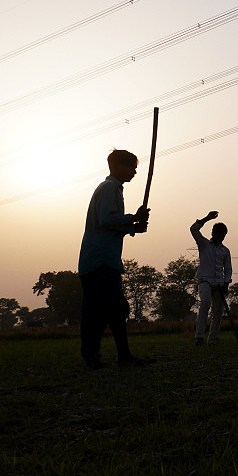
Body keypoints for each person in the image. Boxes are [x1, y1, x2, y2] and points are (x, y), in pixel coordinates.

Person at [77, 149, 151, 369]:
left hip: (93, 260)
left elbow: (110, 224)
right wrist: (133, 218)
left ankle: (92, 357)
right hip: (102, 260)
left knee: (96, 313)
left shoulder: (110, 189)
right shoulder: (110, 188)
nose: (134, 172)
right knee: (116, 308)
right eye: (132, 167)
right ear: (118, 166)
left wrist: (133, 226)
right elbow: (107, 219)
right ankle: (124, 356)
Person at [191, 211, 232, 346]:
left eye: (223, 236)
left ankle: (212, 340)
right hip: (204, 280)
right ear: (213, 234)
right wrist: (207, 218)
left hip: (219, 283)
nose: (221, 238)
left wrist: (226, 284)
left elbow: (228, 269)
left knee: (218, 311)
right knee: (205, 303)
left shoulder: (225, 251)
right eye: (219, 235)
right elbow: (193, 229)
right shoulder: (203, 244)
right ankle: (199, 337)